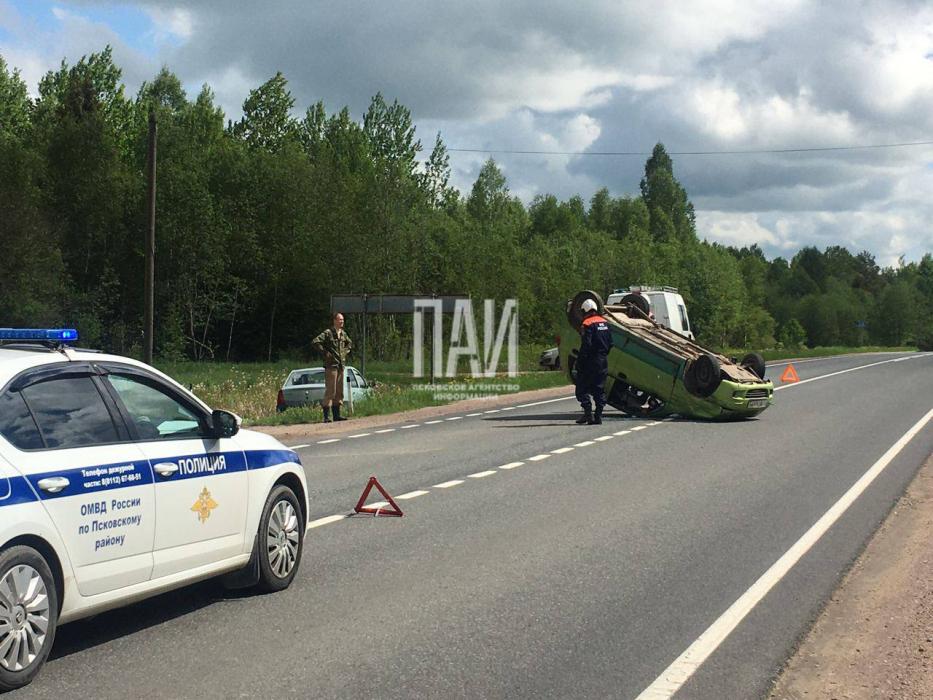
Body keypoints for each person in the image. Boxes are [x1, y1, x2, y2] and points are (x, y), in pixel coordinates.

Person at [574, 298, 612, 425]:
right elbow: (611, 343)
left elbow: (586, 344)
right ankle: (598, 416)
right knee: (599, 388)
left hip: (590, 360)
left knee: (582, 387)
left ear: (584, 310)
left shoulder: (587, 323)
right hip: (602, 360)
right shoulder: (605, 323)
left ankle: (588, 413)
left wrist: (580, 361)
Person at [311, 313, 353, 422]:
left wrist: (344, 352)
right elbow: (316, 341)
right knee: (331, 391)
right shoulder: (328, 333)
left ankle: (336, 415)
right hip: (331, 366)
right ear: (334, 321)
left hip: (340, 365)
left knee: (339, 391)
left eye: (343, 320)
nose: (342, 322)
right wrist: (325, 353)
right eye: (340, 320)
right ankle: (326, 416)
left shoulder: (343, 334)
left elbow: (349, 344)